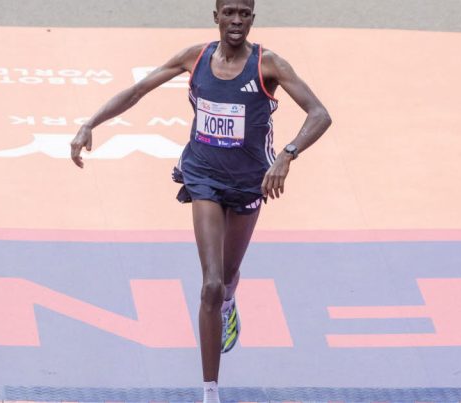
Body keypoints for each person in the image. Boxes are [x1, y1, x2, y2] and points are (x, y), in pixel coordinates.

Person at [70, 0, 331, 401]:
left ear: (253, 19)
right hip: (203, 177)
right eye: (229, 12)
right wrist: (90, 123)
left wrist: (287, 155)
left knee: (226, 278)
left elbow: (319, 114)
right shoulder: (195, 57)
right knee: (209, 283)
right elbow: (138, 90)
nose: (236, 20)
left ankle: (229, 301)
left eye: (244, 13)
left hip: (249, 183)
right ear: (216, 17)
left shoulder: (269, 65)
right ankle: (210, 392)